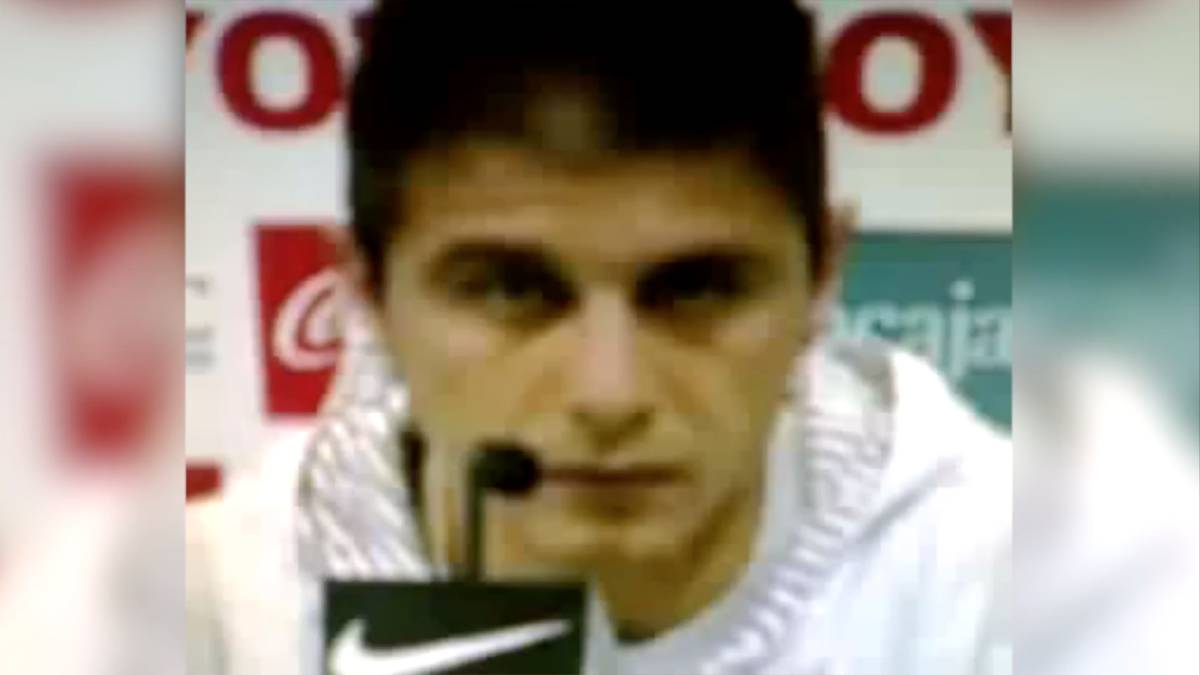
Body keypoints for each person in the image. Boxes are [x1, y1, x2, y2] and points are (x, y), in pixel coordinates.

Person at [186, 2, 1010, 674]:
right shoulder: (211, 610)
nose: (609, 395)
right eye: (511, 289)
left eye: (698, 287)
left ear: (822, 275)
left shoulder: (1008, 583)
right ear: (367, 293)